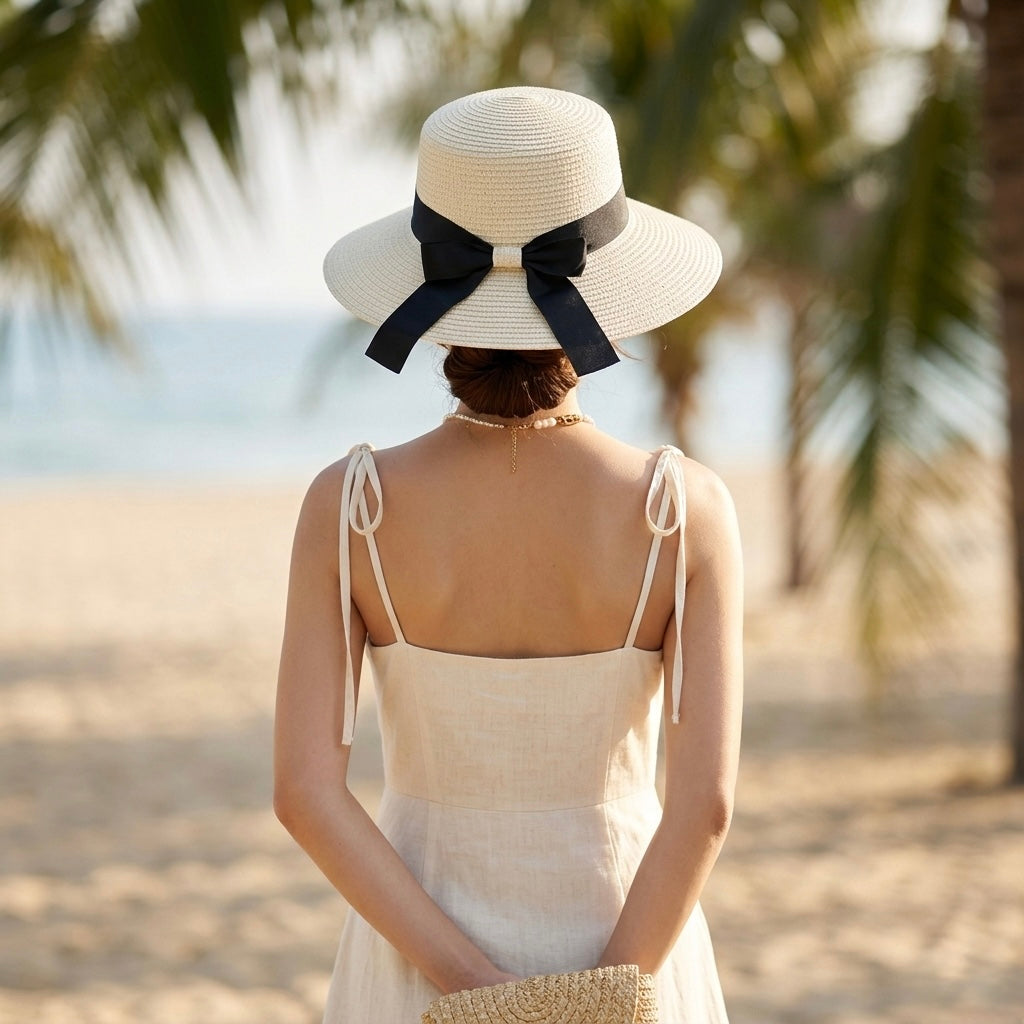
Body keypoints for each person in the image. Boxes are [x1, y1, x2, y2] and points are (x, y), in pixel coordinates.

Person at [273, 86, 744, 1023]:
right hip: (633, 949)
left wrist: (476, 994)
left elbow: (305, 794)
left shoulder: (350, 506)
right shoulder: (680, 509)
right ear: (604, 292)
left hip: (414, 955)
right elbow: (707, 806)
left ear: (437, 301)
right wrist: (602, 1001)